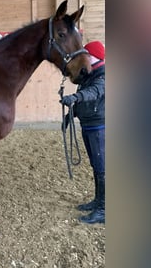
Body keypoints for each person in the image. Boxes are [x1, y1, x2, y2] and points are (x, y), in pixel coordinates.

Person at [60, 40, 105, 224]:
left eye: (85, 54)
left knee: (102, 167)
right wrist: (71, 115)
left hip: (99, 127)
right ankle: (98, 201)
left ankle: (104, 209)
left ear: (92, 56)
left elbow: (94, 93)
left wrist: (75, 97)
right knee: (97, 165)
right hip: (89, 125)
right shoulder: (90, 74)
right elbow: (84, 97)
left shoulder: (103, 76)